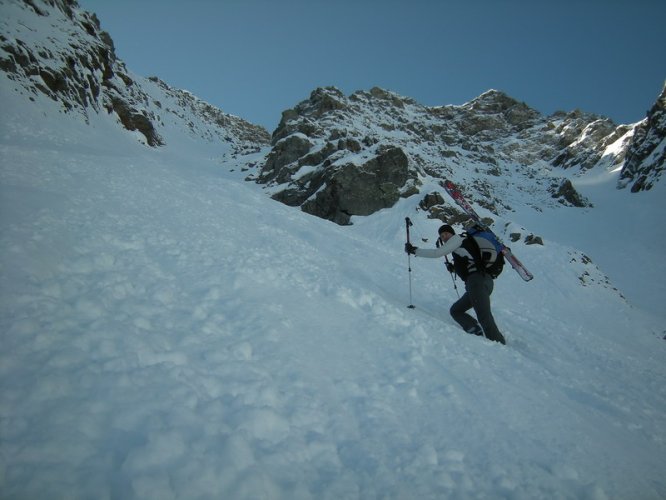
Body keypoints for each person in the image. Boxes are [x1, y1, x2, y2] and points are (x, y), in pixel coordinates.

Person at [405, 224, 506, 345]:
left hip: (477, 282)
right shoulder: (461, 245)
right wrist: (454, 268)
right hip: (479, 283)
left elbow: (437, 253)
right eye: (442, 236)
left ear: (452, 233)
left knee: (484, 316)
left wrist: (414, 250)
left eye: (446, 234)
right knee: (456, 310)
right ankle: (474, 330)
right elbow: (470, 262)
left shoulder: (457, 239)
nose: (444, 237)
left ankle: (499, 344)